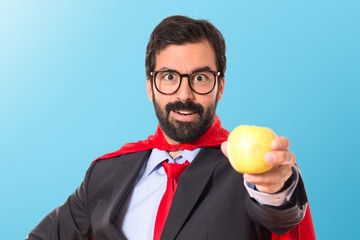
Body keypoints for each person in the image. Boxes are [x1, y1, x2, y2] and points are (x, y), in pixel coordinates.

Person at [27, 15, 315, 240]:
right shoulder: (105, 173)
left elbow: (282, 214)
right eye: (169, 77)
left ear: (221, 87)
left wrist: (275, 188)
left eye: (200, 78)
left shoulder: (251, 173)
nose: (184, 95)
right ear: (150, 87)